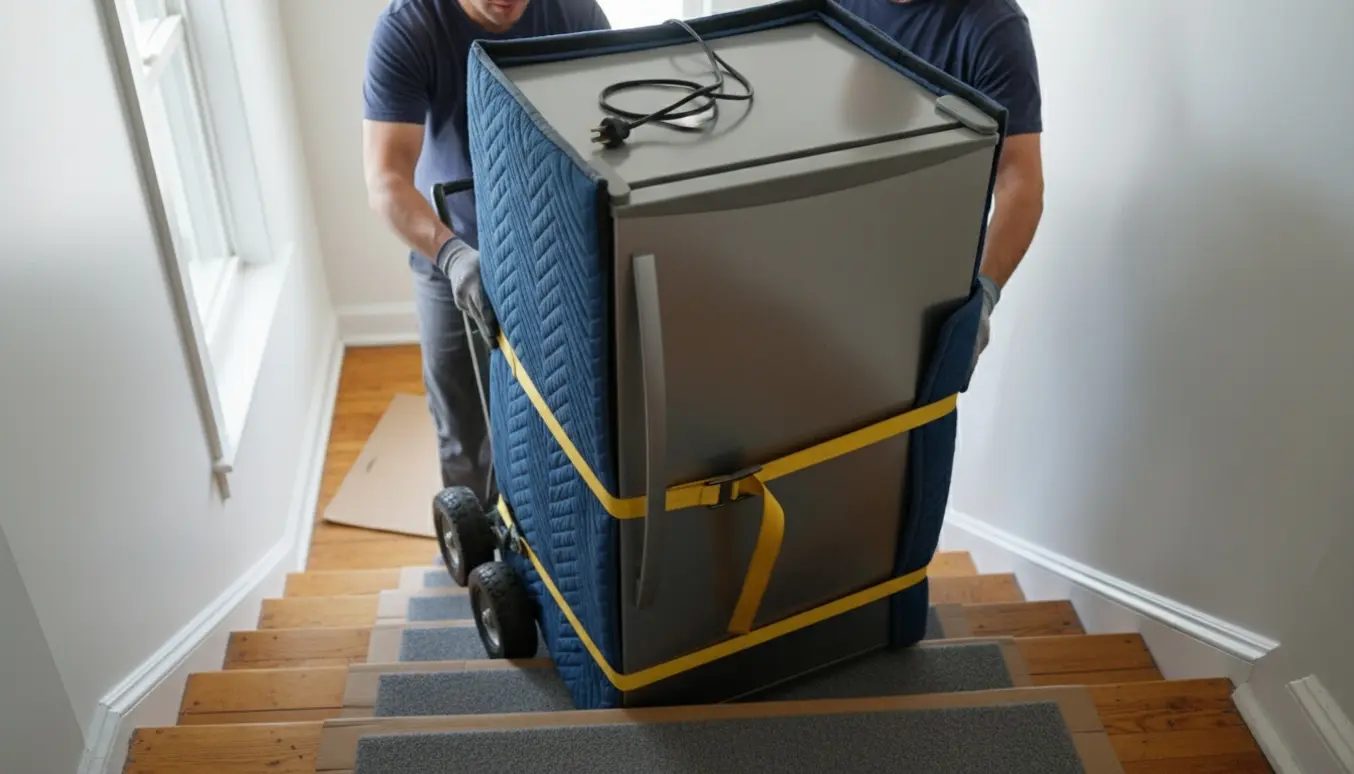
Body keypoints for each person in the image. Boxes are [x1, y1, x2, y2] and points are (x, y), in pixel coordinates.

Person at [362, 0, 612, 501]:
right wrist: (452, 256)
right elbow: (386, 180)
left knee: (570, 398)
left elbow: (610, 116)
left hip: (552, 235)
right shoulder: (409, 29)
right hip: (448, 247)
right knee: (464, 421)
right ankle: (479, 541)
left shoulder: (574, 12)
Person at [838, 0, 1045, 373]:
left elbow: (1020, 181)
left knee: (907, 427)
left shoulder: (992, 25)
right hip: (829, 262)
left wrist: (982, 296)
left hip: (919, 300)